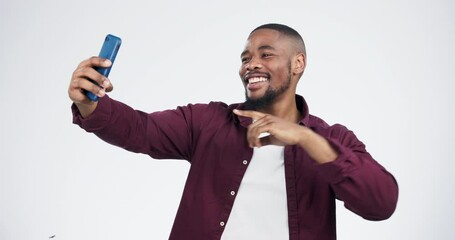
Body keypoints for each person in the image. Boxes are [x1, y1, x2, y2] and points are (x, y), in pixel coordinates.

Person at [69, 23, 399, 240]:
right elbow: (141, 130)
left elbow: (380, 203)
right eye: (245, 58)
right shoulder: (207, 121)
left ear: (298, 63)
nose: (250, 64)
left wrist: (307, 139)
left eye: (265, 54)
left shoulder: (333, 139)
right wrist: (90, 105)